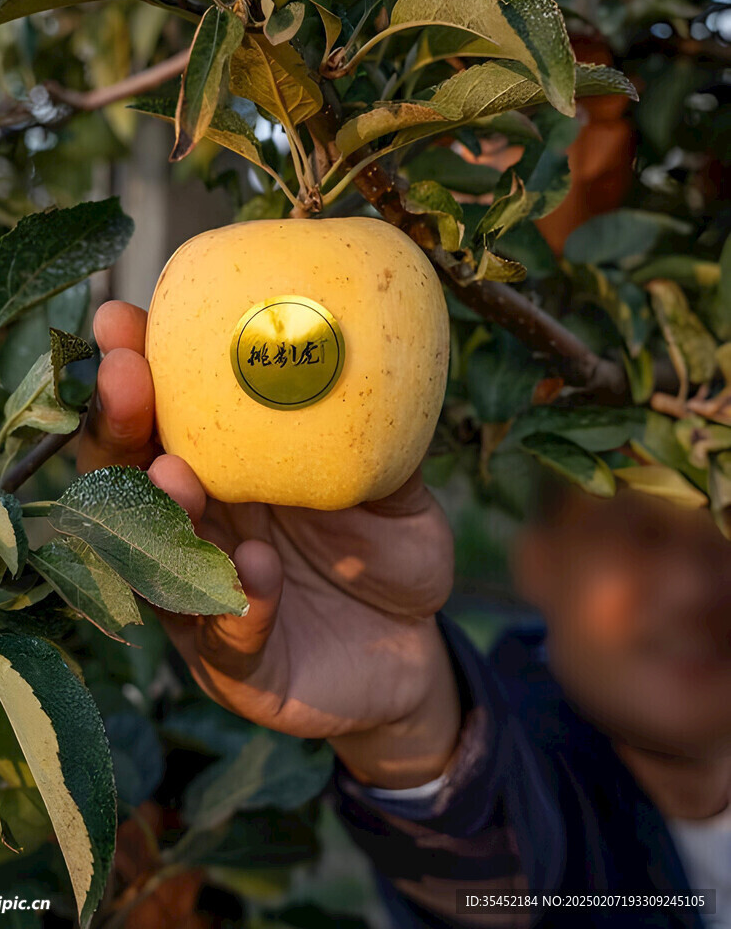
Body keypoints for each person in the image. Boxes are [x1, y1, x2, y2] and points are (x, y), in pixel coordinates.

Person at [78, 300, 731, 929]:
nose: (693, 587)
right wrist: (412, 732)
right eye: (640, 535)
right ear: (538, 560)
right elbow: (501, 877)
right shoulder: (534, 769)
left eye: (726, 532)